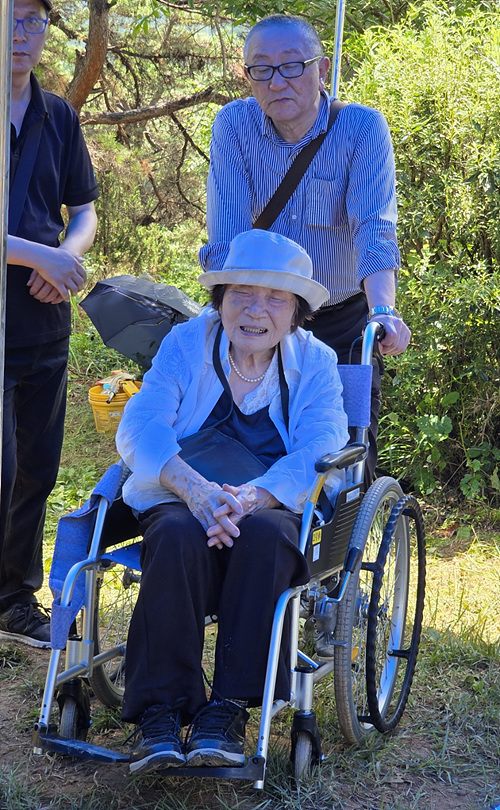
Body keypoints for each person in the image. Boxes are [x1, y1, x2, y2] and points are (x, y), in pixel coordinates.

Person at [115, 229, 349, 773]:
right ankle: (163, 711)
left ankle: (228, 709)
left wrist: (252, 497)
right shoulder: (186, 343)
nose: (256, 309)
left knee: (268, 537)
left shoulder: (315, 362)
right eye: (242, 292)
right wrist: (195, 491)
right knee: (174, 533)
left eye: (275, 297)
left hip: (268, 502)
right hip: (181, 493)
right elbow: (142, 422)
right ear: (219, 300)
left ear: (296, 313)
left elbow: (322, 443)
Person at [198, 13, 412, 484]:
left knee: (344, 456)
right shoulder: (234, 126)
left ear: (323, 69)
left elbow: (373, 230)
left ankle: (340, 548)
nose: (278, 81)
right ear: (247, 76)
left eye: (293, 65)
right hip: (257, 314)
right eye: (263, 68)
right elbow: (227, 240)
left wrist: (383, 309)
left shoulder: (361, 130)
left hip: (338, 320)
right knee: (243, 446)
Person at [0, 0, 98, 648]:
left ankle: (13, 602)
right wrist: (42, 255)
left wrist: (69, 255)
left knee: (37, 466)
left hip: (43, 322)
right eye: (10, 16)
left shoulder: (57, 113)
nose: (20, 32)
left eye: (34, 19)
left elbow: (85, 207)